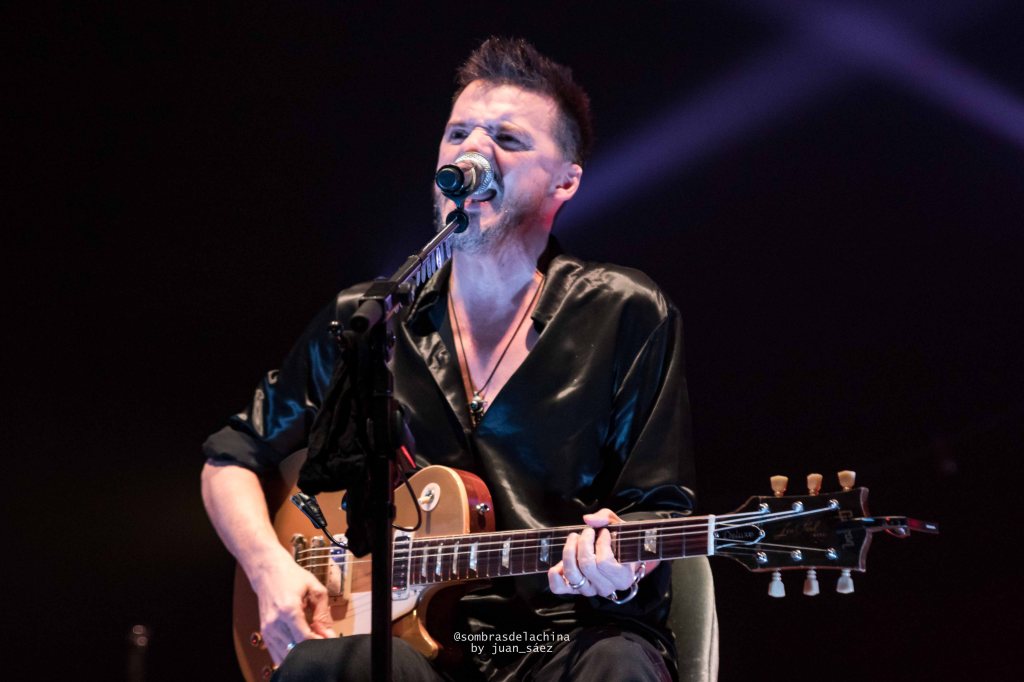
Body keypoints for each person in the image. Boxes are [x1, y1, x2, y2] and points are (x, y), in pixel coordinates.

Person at [201, 37, 696, 681]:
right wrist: (270, 569)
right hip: (420, 652)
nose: (472, 152)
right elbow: (230, 459)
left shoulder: (625, 312)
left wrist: (623, 560)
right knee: (330, 665)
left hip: (564, 640)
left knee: (618, 667)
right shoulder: (369, 320)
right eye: (459, 133)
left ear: (566, 180)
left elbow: (658, 508)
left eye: (507, 140)